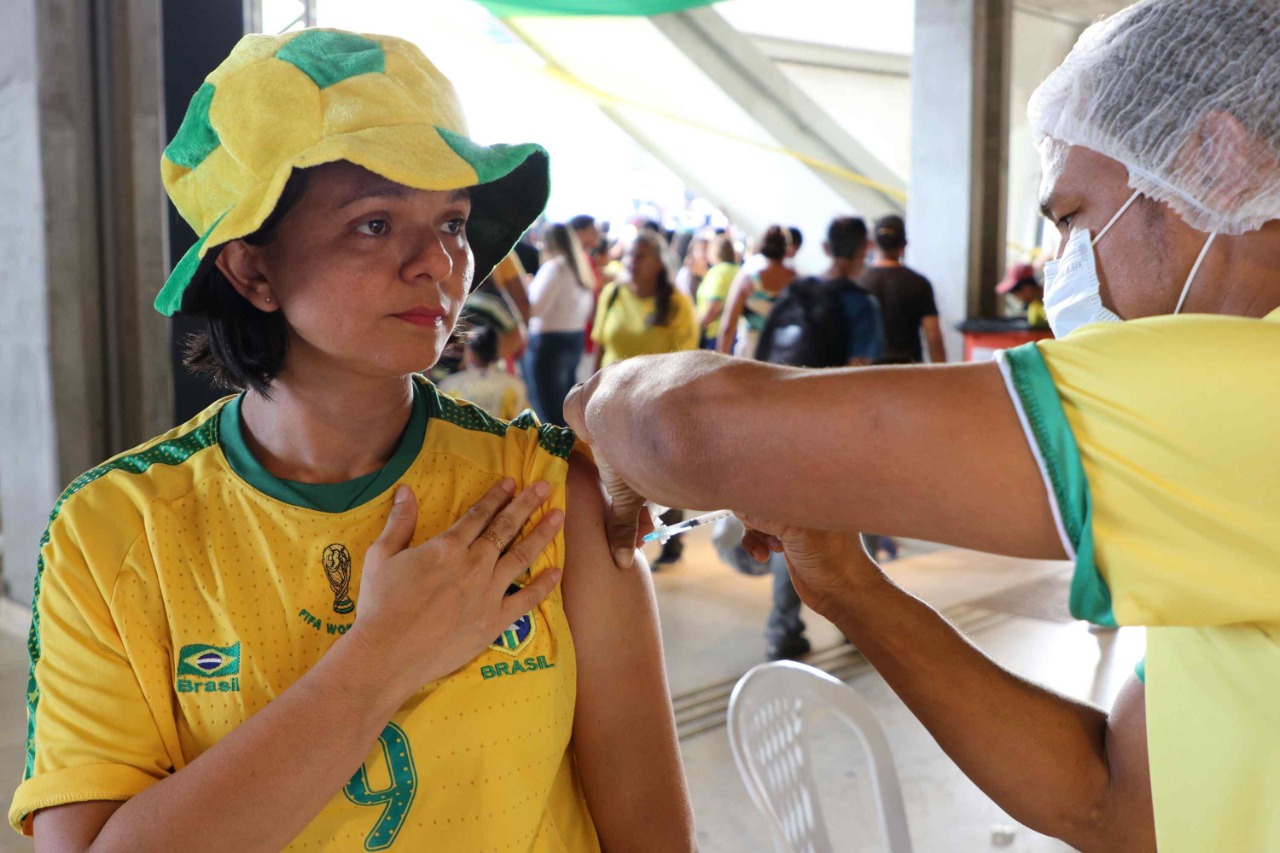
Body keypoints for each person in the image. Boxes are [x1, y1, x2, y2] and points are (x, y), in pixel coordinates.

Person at [564, 3, 1280, 850]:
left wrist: (593, 404)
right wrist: (848, 586)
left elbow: (689, 428)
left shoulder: (1244, 395)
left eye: (1075, 217)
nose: (1064, 271)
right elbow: (1114, 801)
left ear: (1218, 159)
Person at [9, 30, 695, 851]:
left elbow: (650, 835)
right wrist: (383, 657)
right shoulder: (116, 532)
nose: (438, 261)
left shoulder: (544, 490)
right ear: (251, 270)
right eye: (374, 223)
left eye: (453, 219)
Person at [591, 230, 698, 566]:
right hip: (609, 402)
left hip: (656, 405)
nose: (632, 263)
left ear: (659, 262)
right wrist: (589, 389)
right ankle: (612, 534)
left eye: (641, 257)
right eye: (630, 256)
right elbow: (599, 344)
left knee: (662, 472)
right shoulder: (612, 293)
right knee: (612, 471)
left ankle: (670, 541)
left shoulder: (676, 303)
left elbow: (687, 360)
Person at [524, 223, 595, 427]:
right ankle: (571, 449)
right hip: (574, 338)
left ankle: (556, 454)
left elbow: (535, 309)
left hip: (549, 343)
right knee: (566, 403)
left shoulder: (555, 267)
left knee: (549, 410)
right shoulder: (580, 267)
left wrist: (527, 287)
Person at [860, 214, 946, 364]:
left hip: (867, 371)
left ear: (872, 244)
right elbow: (933, 336)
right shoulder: (919, 283)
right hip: (908, 371)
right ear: (904, 244)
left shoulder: (859, 282)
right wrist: (943, 376)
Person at [717, 225, 795, 358]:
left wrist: (719, 360)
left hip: (750, 352)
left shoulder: (749, 277)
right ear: (785, 249)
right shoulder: (795, 280)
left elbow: (728, 326)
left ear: (762, 244)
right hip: (781, 355)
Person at [439, 326, 529, 420]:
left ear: (470, 353)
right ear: (496, 351)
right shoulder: (514, 385)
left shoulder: (450, 385)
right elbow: (522, 421)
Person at [695, 235, 739, 348]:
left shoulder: (718, 272)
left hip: (715, 335)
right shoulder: (738, 270)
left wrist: (698, 330)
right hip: (734, 333)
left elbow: (714, 306)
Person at [997, 263, 1049, 329]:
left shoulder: (1058, 299)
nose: (1016, 296)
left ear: (1028, 286)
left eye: (1015, 290)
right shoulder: (1034, 312)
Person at [673, 234, 709, 303]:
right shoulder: (685, 273)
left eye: (707, 250)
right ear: (693, 252)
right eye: (701, 250)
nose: (704, 254)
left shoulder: (712, 272)